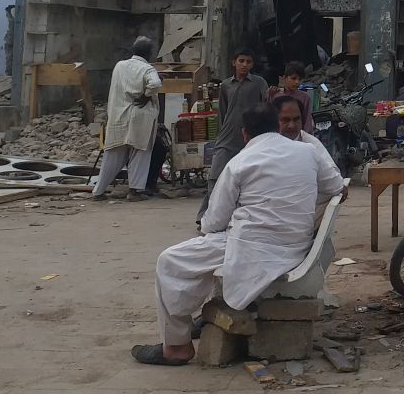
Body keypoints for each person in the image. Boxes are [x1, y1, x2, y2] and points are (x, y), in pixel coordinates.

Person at [131, 102, 344, 366]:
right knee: (206, 251)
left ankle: (176, 347)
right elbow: (336, 186)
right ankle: (201, 319)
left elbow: (213, 222)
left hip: (251, 248)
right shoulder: (309, 152)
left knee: (169, 261)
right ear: (276, 126)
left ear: (244, 134)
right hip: (297, 249)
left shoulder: (240, 163)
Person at [92, 37, 163, 201]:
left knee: (112, 155)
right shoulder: (148, 69)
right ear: (149, 53)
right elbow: (155, 84)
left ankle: (98, 191)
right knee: (140, 153)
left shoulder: (119, 66)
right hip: (140, 117)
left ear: (134, 51)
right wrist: (146, 96)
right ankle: (134, 192)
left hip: (119, 116)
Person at [201, 49, 268, 218]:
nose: (244, 65)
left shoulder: (259, 83)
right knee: (216, 176)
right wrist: (220, 135)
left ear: (252, 65)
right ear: (234, 62)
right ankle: (205, 216)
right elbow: (223, 113)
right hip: (227, 137)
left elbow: (266, 107)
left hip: (251, 138)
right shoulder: (225, 85)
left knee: (248, 179)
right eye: (241, 61)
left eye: (248, 62)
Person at [274, 93, 346, 200]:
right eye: (285, 120)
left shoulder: (309, 144)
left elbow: (334, 179)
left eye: (296, 119)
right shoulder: (264, 145)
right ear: (274, 121)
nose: (292, 125)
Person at [266, 61, 313, 132]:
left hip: (297, 133)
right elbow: (269, 116)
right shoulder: (275, 95)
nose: (297, 82)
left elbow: (307, 121)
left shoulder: (304, 97)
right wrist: (270, 96)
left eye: (299, 79)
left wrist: (306, 136)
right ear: (284, 78)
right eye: (293, 78)